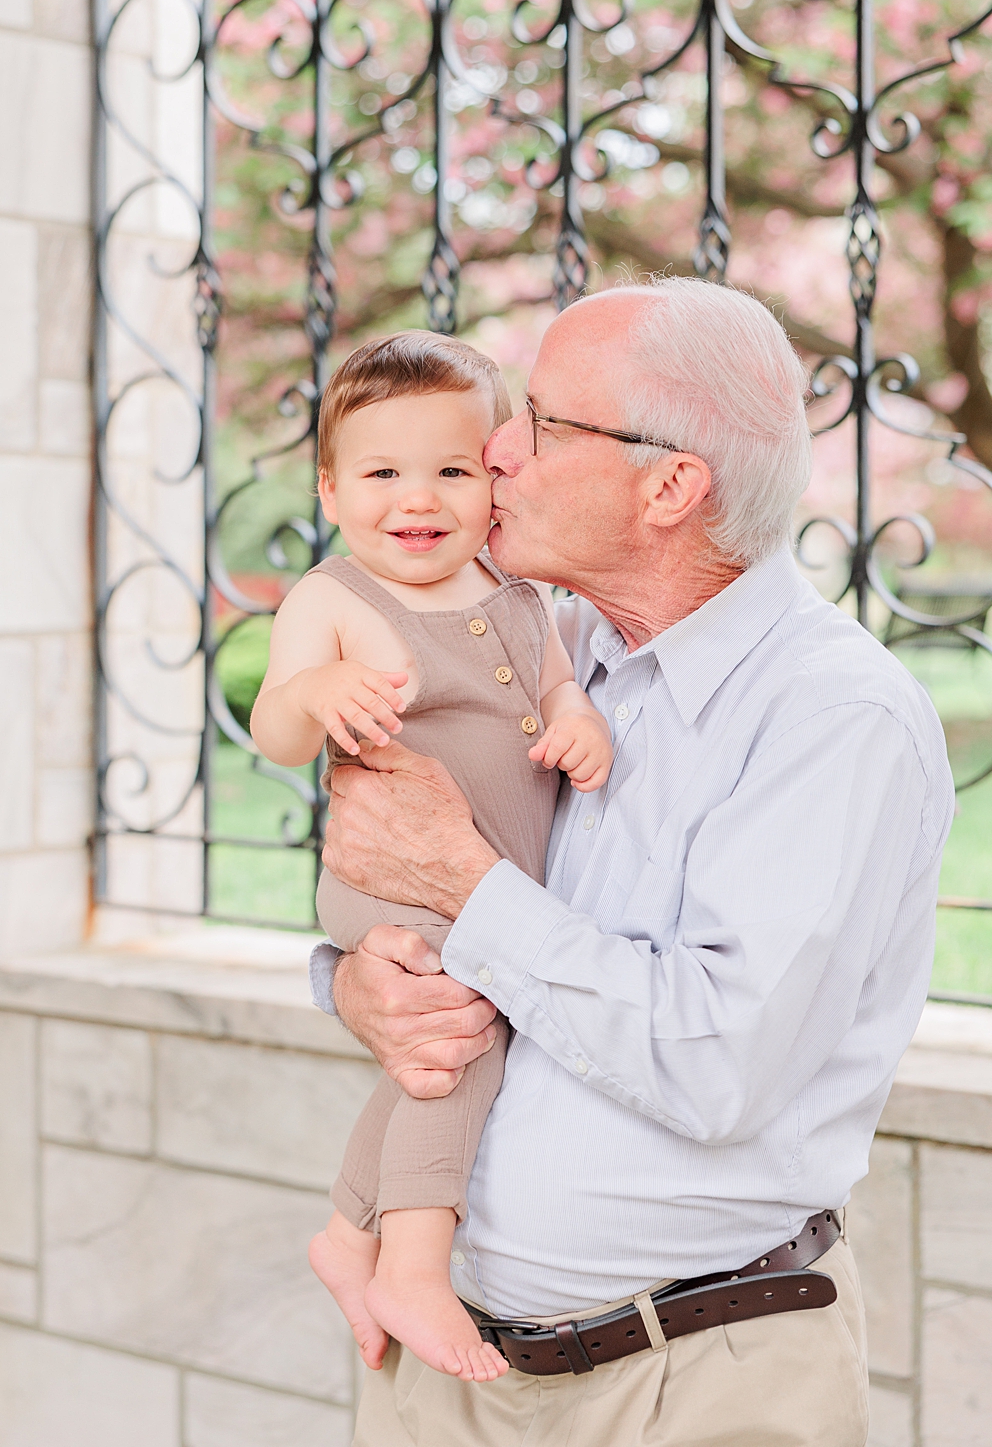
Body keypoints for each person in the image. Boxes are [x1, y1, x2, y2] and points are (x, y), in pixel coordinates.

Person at [314, 278, 951, 1445]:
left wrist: (467, 885)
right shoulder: (540, 647)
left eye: (544, 421)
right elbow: (400, 886)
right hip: (443, 1374)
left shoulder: (834, 716)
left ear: (670, 485)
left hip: (691, 1381)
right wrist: (357, 983)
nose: (492, 447)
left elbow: (714, 1062)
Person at [251, 332, 610, 1384]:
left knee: (433, 1049)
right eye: (380, 473)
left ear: (489, 477)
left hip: (492, 871)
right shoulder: (334, 597)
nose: (417, 499)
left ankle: (346, 1233)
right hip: (389, 875)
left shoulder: (512, 589)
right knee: (461, 1036)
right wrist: (316, 694)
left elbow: (550, 685)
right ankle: (412, 1258)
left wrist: (573, 714)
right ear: (328, 487)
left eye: (449, 469)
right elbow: (274, 722)